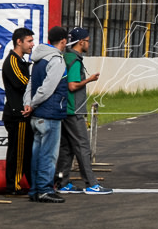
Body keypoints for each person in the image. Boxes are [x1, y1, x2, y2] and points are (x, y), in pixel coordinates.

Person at [55, 27, 112, 195]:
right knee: (82, 146)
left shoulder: (66, 57)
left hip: (66, 109)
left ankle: (62, 182)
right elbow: (72, 85)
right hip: (74, 110)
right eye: (87, 40)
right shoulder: (74, 59)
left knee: (67, 148)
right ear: (81, 42)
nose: (89, 43)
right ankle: (91, 184)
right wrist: (89, 79)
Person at [22, 26, 70, 203]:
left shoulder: (38, 59)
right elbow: (48, 88)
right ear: (63, 41)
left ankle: (35, 189)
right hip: (50, 114)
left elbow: (30, 85)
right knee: (49, 155)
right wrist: (33, 104)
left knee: (37, 153)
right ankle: (44, 189)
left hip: (36, 116)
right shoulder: (56, 60)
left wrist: (28, 104)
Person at [2, 27, 34, 195]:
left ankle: (28, 183)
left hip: (22, 114)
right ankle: (13, 185)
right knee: (18, 152)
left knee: (25, 151)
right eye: (29, 41)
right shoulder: (13, 61)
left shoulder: (22, 61)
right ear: (19, 42)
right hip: (17, 114)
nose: (32, 44)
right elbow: (25, 84)